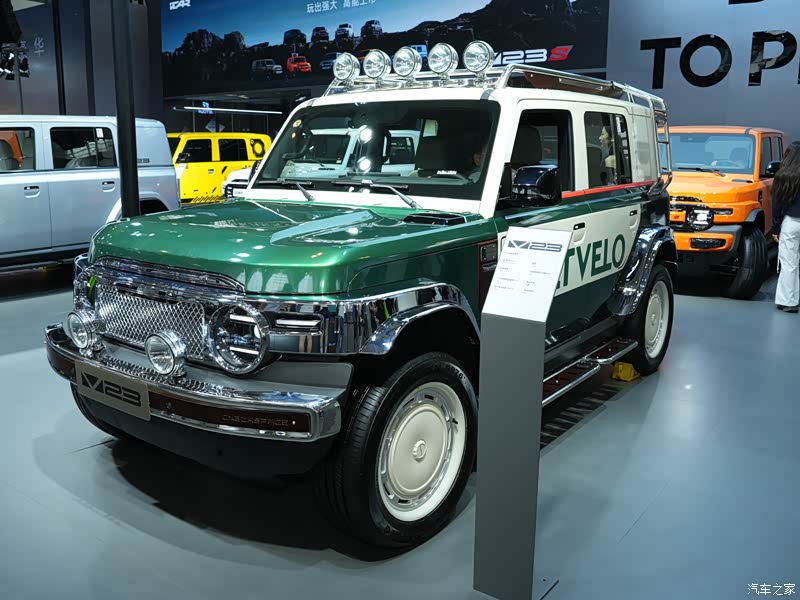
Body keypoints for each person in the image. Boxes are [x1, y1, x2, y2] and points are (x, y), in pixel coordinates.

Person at [772, 141, 800, 312]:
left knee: (789, 263)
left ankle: (789, 301)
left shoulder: (783, 175)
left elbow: (776, 205)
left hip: (791, 222)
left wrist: (776, 228)